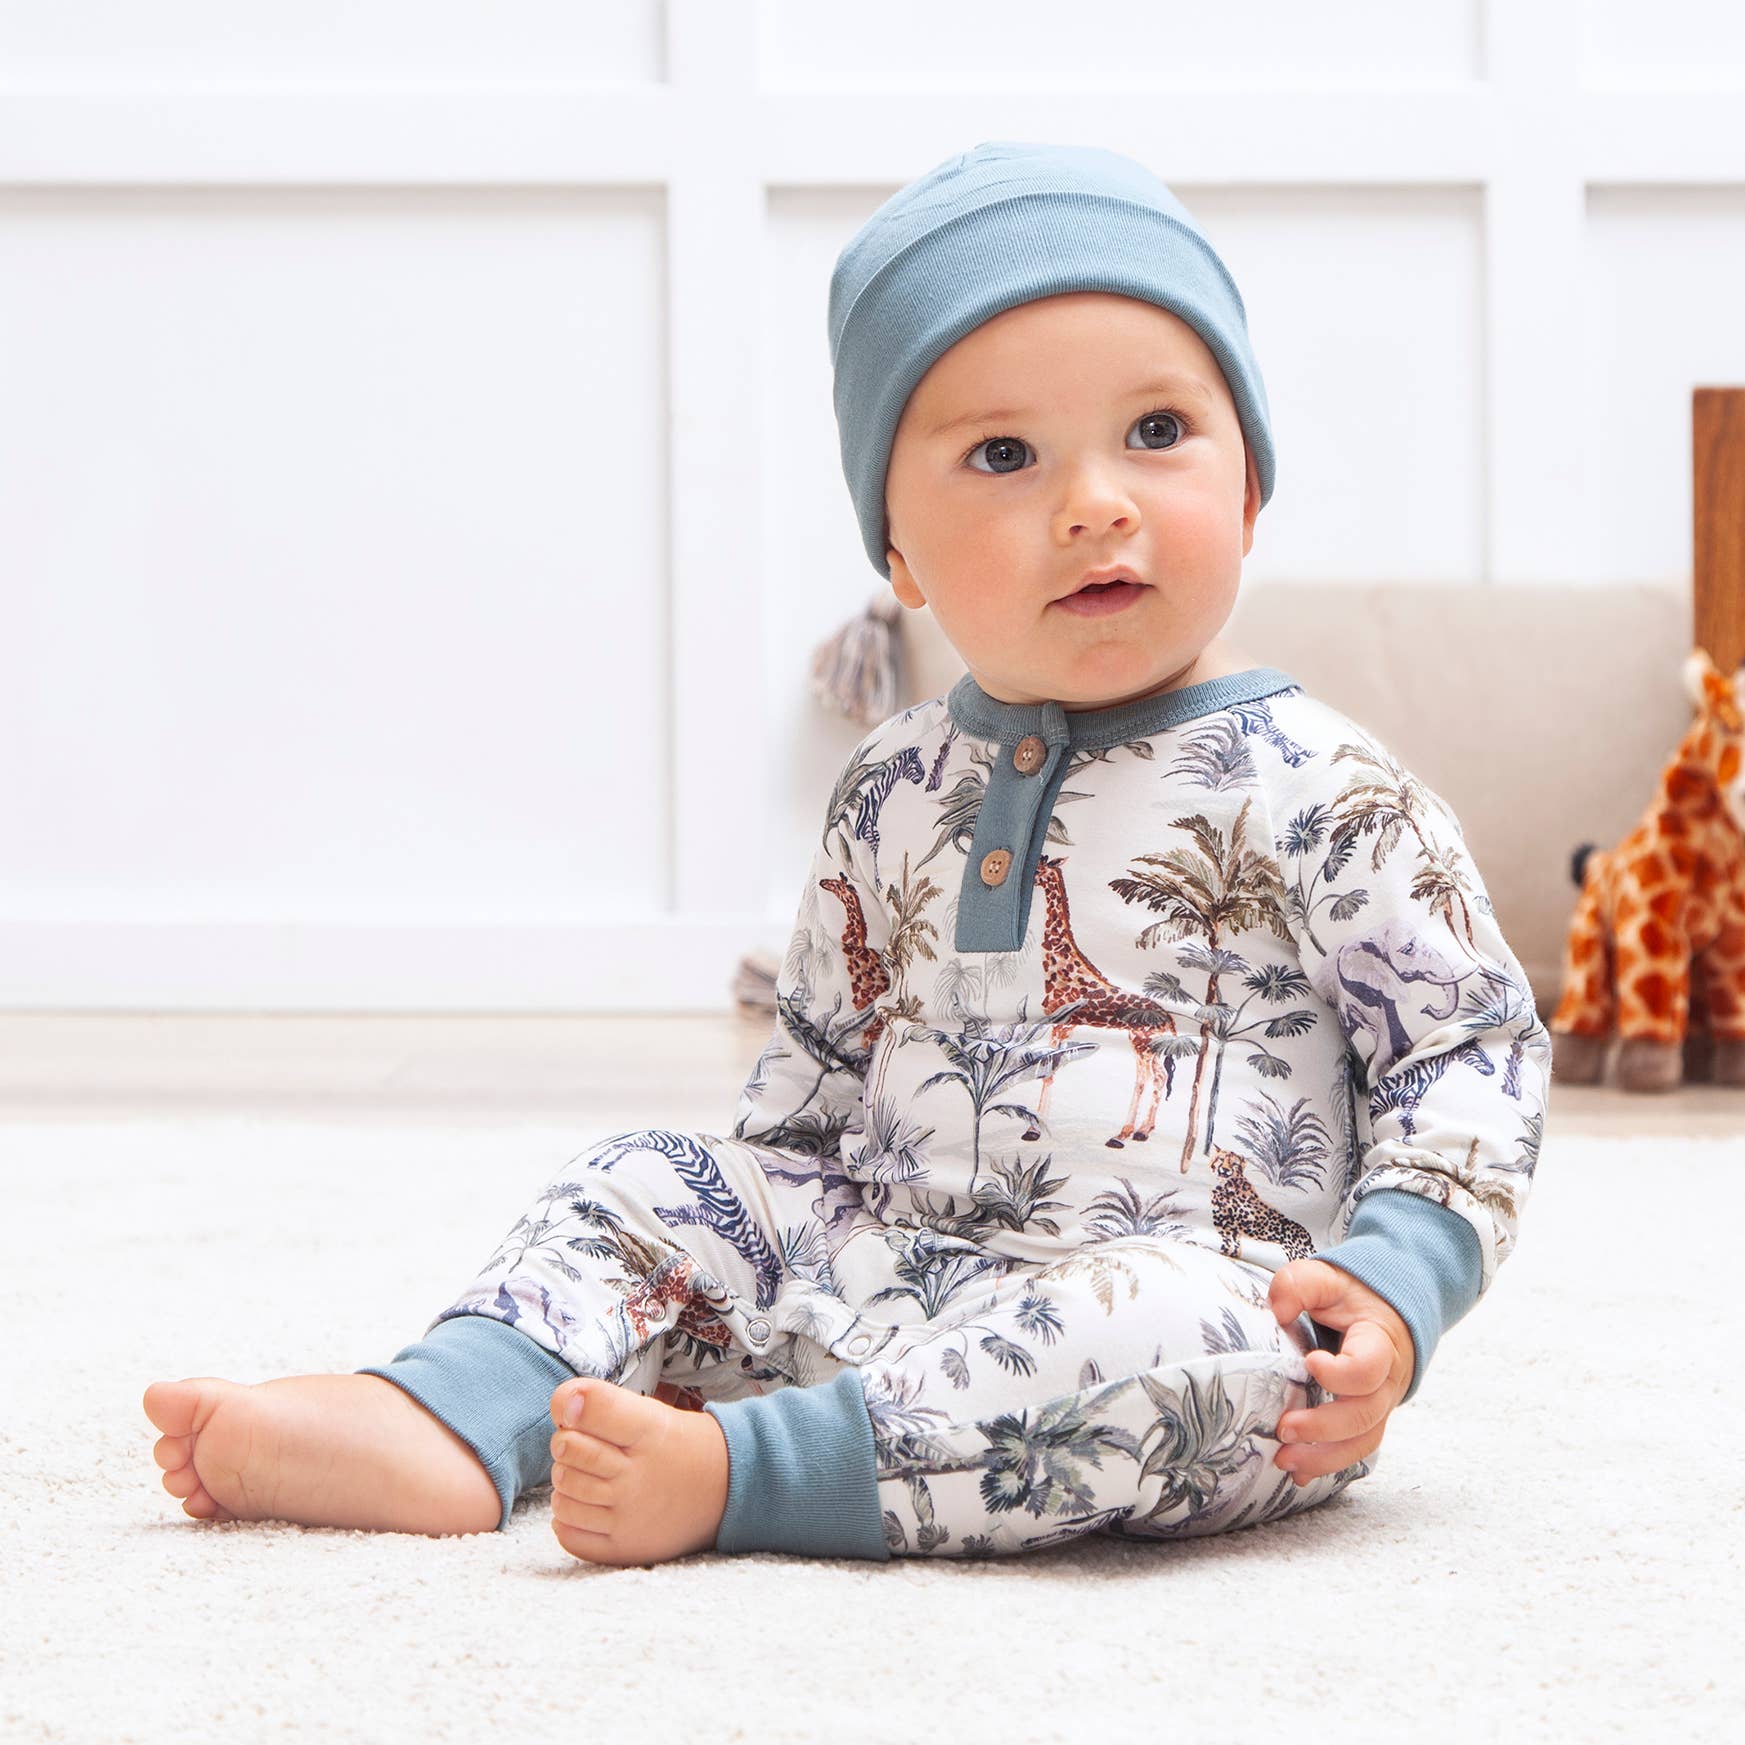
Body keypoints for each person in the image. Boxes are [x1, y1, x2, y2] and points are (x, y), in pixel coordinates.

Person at [144, 140, 1552, 1567]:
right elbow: (813, 1070)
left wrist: (1389, 1285)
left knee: (1177, 1336)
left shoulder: (1328, 785)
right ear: (898, 553)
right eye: (1003, 455)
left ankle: (746, 1475)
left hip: (1196, 1323)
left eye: (1157, 431)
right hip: (880, 1269)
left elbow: (1470, 1050)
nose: (1094, 500)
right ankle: (453, 1411)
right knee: (645, 1171)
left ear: (1250, 486)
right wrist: (734, 1248)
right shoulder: (892, 781)